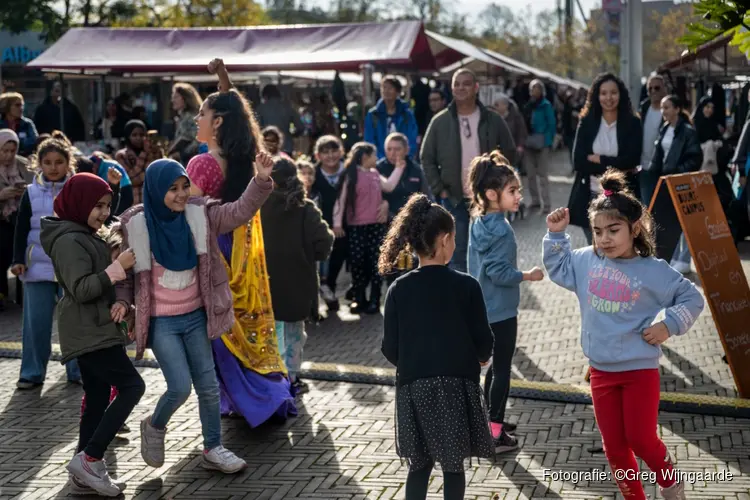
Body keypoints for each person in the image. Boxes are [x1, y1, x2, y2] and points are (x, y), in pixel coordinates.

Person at [543, 169, 704, 500]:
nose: (604, 239)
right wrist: (556, 236)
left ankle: (671, 482)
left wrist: (668, 325)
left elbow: (692, 297)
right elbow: (559, 270)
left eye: (613, 230)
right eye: (598, 231)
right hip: (601, 372)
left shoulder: (653, 271)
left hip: (639, 372)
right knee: (615, 450)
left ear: (634, 229)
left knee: (641, 439)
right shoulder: (587, 260)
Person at [115, 154, 274, 473]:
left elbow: (239, 211)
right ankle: (155, 425)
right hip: (162, 323)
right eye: (172, 188)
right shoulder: (136, 226)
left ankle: (213, 447)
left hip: (196, 317)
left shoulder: (200, 215)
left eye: (184, 186)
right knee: (179, 387)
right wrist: (122, 301)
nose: (181, 194)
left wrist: (261, 180)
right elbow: (127, 273)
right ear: (155, 191)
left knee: (208, 385)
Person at [184, 58, 297, 429]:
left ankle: (245, 398)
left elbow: (189, 217)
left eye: (201, 113)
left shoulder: (202, 165)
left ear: (217, 122)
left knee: (219, 331)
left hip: (213, 247)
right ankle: (259, 394)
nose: (195, 119)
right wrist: (221, 78)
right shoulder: (241, 156)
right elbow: (233, 104)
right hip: (236, 247)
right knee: (236, 328)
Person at [379, 193, 494, 500]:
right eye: (454, 238)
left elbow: (390, 348)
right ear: (444, 240)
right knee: (453, 466)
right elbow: (484, 339)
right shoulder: (467, 286)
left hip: (414, 388)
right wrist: (481, 357)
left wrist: (415, 361)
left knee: (419, 465)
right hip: (457, 387)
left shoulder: (398, 289)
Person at [40, 173, 144, 497]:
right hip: (89, 333)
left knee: (98, 399)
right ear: (80, 202)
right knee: (133, 386)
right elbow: (82, 288)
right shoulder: (69, 240)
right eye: (97, 205)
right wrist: (119, 268)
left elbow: (97, 289)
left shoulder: (83, 234)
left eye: (107, 206)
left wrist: (121, 306)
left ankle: (82, 473)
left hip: (96, 328)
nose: (102, 212)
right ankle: (91, 457)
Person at [466, 151, 544, 454]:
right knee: (502, 370)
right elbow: (498, 272)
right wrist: (527, 275)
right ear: (491, 194)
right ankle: (494, 433)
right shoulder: (501, 229)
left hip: (484, 307)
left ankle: (488, 422)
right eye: (512, 191)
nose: (518, 195)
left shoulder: (480, 221)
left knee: (494, 368)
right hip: (501, 311)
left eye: (518, 190)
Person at [421, 68, 517, 273]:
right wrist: (440, 189)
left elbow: (510, 153)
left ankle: (486, 297)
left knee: (492, 251)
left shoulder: (492, 119)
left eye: (466, 83)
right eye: (457, 84)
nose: (461, 88)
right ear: (451, 88)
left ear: (476, 87)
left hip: (488, 200)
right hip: (453, 198)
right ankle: (463, 301)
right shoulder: (440, 121)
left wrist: (500, 186)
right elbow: (426, 157)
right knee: (457, 254)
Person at [12, 138, 82, 389]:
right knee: (35, 325)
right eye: (47, 162)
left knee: (74, 324)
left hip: (71, 269)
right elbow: (20, 229)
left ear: (68, 163)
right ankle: (31, 373)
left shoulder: (77, 189)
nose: (53, 168)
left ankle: (78, 371)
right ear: (38, 164)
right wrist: (18, 260)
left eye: (59, 162)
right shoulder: (30, 193)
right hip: (36, 269)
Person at [261, 157, 334, 394]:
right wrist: (309, 254)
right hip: (298, 284)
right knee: (293, 336)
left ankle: (271, 380)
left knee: (270, 335)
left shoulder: (258, 206)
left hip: (265, 284)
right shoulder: (305, 208)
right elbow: (324, 241)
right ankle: (290, 380)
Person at [569, 72, 642, 245]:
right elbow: (578, 162)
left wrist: (600, 159)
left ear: (621, 94)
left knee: (619, 247)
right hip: (590, 195)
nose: (608, 97)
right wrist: (616, 165)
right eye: (603, 93)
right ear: (596, 95)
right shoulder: (586, 122)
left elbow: (631, 160)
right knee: (595, 248)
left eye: (613, 92)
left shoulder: (633, 122)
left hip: (623, 196)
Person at [333, 142, 404, 314]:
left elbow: (389, 186)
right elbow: (341, 200)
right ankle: (359, 298)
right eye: (373, 155)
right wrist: (337, 223)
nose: (376, 158)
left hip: (376, 225)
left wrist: (399, 168)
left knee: (376, 263)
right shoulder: (351, 175)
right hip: (357, 226)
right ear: (365, 157)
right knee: (357, 262)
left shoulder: (374, 174)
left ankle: (374, 298)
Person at [648, 95, 702, 274]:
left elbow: (695, 158)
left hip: (681, 182)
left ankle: (684, 259)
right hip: (665, 182)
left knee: (685, 221)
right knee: (667, 219)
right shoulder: (664, 129)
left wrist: (677, 172)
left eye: (667, 107)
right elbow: (659, 156)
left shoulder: (688, 131)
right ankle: (670, 257)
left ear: (677, 109)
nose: (664, 111)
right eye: (662, 108)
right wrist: (651, 172)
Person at [377, 132, 431, 283]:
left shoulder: (416, 169)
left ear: (406, 150)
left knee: (408, 266)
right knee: (390, 267)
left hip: (411, 225)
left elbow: (426, 195)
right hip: (386, 224)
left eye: (397, 149)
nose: (393, 153)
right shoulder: (378, 168)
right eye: (389, 149)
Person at [310, 135, 348, 312]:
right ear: (318, 155)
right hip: (320, 225)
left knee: (339, 258)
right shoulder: (313, 174)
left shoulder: (348, 171)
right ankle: (319, 298)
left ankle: (334, 291)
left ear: (341, 152)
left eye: (334, 151)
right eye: (325, 152)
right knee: (321, 260)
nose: (330, 156)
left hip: (345, 225)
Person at [0, 129, 32, 310]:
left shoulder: (22, 164)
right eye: (4, 151)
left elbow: (37, 185)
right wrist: (2, 195)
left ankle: (23, 295)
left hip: (22, 217)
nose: (8, 155)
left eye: (12, 151)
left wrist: (25, 191)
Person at [522, 79, 557, 214]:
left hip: (542, 143)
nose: (534, 91)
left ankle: (546, 204)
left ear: (542, 91)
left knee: (542, 175)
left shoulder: (546, 105)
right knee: (530, 174)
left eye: (537, 88)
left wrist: (547, 140)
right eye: (532, 89)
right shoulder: (528, 106)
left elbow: (551, 124)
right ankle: (535, 200)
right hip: (529, 143)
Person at [364, 76, 418, 160]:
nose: (386, 91)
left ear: (397, 92)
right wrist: (382, 160)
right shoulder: (373, 114)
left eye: (390, 88)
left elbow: (412, 139)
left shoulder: (407, 114)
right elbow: (369, 140)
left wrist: (406, 157)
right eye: (384, 87)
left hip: (403, 160)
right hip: (380, 162)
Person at [638, 74, 667, 206]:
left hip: (664, 168)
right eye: (650, 89)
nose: (653, 92)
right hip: (645, 168)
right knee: (648, 207)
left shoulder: (670, 110)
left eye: (657, 88)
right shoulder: (644, 108)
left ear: (664, 89)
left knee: (663, 207)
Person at [255, 84, 303, 155]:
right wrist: (291, 135)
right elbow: (300, 127)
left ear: (265, 96)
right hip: (287, 147)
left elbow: (256, 129)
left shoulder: (260, 109)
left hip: (267, 147)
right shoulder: (288, 108)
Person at [116, 120, 149, 205]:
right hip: (131, 204)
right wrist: (144, 154)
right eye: (134, 135)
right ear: (128, 136)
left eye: (142, 135)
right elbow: (132, 180)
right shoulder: (121, 155)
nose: (138, 138)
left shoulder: (151, 153)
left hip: (149, 203)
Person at [168, 83, 202, 164]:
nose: (172, 100)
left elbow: (198, 140)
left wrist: (182, 154)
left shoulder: (191, 117)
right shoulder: (182, 117)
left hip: (191, 161)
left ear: (185, 98)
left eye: (176, 97)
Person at [0, 92, 38, 156]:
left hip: (24, 159)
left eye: (22, 105)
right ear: (7, 107)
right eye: (17, 105)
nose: (21, 108)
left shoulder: (27, 124)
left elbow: (34, 141)